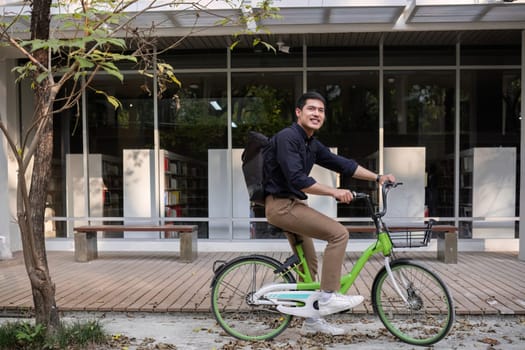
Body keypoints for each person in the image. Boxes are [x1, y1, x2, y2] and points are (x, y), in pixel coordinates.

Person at [263, 91, 396, 335]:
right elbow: (298, 179)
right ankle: (327, 297)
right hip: (282, 206)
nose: (316, 114)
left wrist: (378, 177)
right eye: (311, 109)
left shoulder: (311, 143)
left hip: (292, 205)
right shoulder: (287, 138)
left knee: (309, 265)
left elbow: (343, 164)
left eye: (321, 110)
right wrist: (334, 192)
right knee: (338, 234)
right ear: (298, 112)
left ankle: (311, 321)